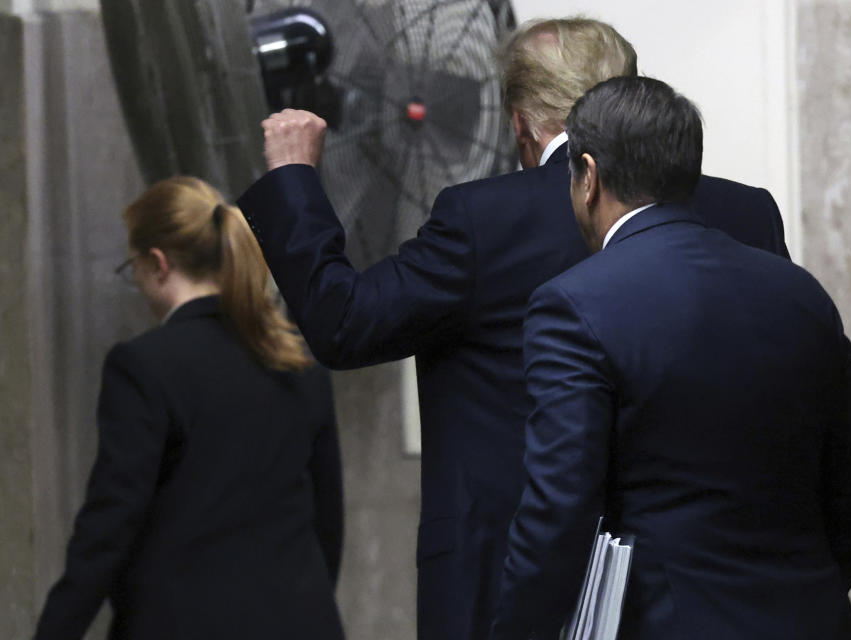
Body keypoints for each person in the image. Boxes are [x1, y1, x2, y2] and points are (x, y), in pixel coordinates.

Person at [237, 18, 790, 640]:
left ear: (521, 123)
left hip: (507, 584)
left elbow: (343, 322)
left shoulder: (484, 219)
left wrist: (294, 179)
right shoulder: (748, 215)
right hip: (719, 594)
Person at [490, 76, 851, 640]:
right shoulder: (800, 293)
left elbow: (558, 513)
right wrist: (806, 591)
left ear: (589, 177)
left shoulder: (574, 305)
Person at [34, 177, 345, 640]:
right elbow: (327, 522)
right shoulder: (299, 361)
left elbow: (108, 529)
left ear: (158, 264)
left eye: (132, 268)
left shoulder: (144, 366)